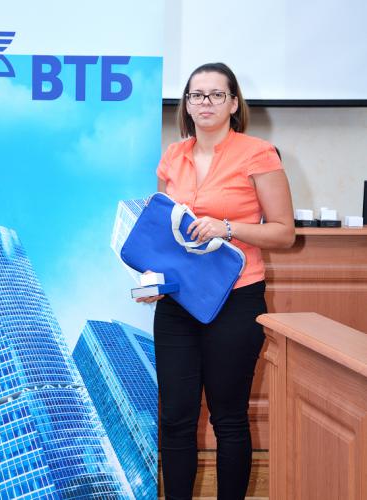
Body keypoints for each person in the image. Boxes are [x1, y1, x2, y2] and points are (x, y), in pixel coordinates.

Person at [136, 62, 295, 500]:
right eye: (196, 95)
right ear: (186, 105)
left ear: (233, 103)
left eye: (216, 94)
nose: (205, 102)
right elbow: (164, 233)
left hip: (236, 299)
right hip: (178, 303)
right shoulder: (173, 156)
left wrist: (228, 228)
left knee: (228, 418)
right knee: (176, 418)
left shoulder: (259, 154)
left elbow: (284, 233)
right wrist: (153, 279)